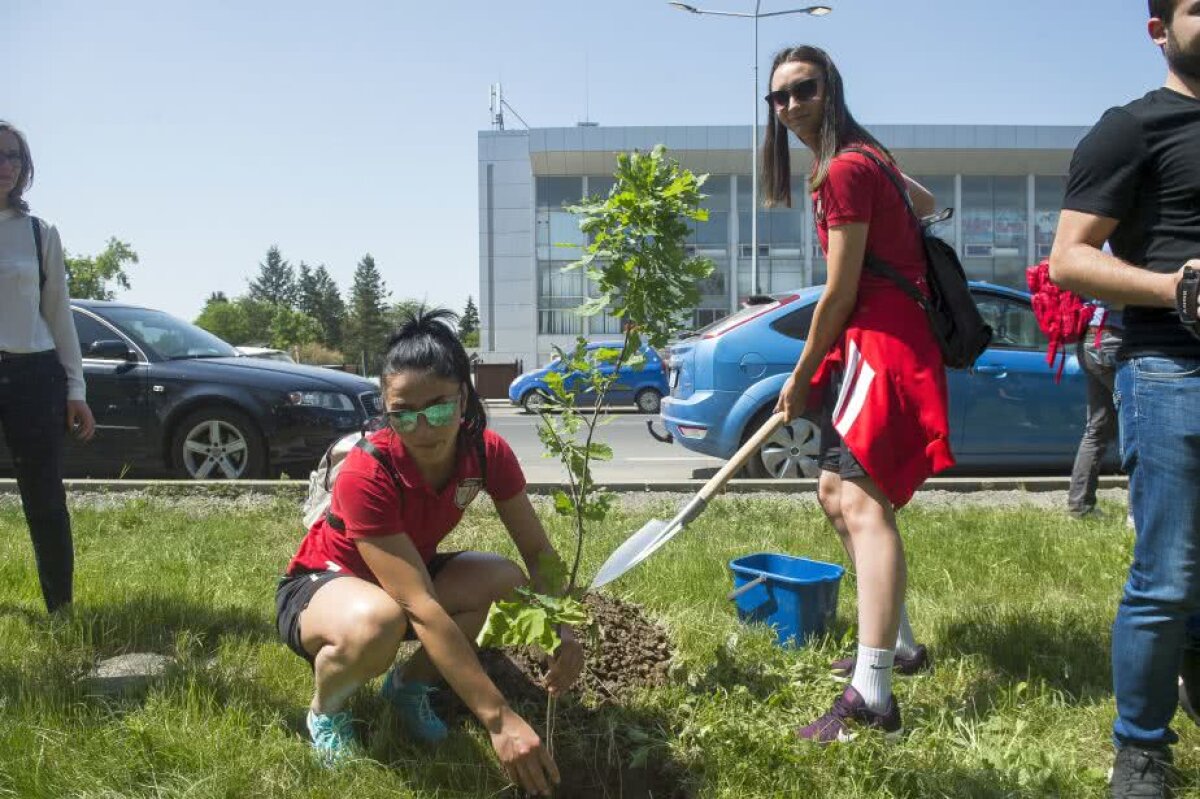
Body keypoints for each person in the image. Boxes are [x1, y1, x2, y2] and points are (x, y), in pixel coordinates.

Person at [275, 308, 583, 796]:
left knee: (506, 582)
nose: (423, 427)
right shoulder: (367, 471)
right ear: (386, 409)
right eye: (404, 413)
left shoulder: (486, 452)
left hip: (403, 575)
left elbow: (538, 551)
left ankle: (407, 687)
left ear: (463, 395)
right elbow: (418, 604)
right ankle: (325, 712)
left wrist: (563, 626)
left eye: (438, 408)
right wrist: (498, 718)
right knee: (377, 621)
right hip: (325, 585)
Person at [761, 46, 953, 742]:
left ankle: (873, 696)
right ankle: (898, 646)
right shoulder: (863, 159)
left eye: (802, 90)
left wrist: (801, 372)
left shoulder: (845, 168)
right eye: (777, 98)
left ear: (830, 88)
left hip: (880, 346)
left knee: (865, 505)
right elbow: (927, 203)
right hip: (877, 345)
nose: (789, 107)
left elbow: (839, 293)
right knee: (834, 493)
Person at [1048, 1, 1200, 795]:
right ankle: (1141, 749)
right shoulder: (1133, 129)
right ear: (1159, 31)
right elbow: (1069, 259)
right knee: (1169, 573)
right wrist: (1175, 285)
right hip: (1172, 368)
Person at [0, 121, 95, 614]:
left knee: (43, 498)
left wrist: (75, 389)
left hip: (33, 376)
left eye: (14, 156)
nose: (7, 166)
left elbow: (59, 315)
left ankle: (60, 608)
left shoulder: (39, 235)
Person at [1067, 299, 1123, 520]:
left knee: (1097, 427)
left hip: (1089, 339)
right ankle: (1137, 513)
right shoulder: (1125, 263)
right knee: (1140, 422)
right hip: (1114, 337)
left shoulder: (1093, 264)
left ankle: (1079, 506)